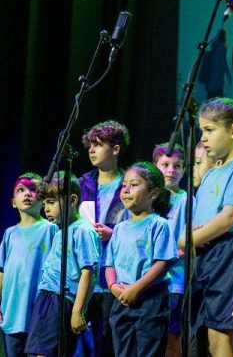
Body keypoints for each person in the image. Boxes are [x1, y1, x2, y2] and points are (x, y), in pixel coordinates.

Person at [180, 98, 233, 357]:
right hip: (206, 254)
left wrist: (188, 238)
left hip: (228, 251)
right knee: (206, 335)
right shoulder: (213, 171)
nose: (204, 138)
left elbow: (229, 217)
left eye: (210, 130)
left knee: (221, 332)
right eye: (202, 131)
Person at [25, 172, 101, 357]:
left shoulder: (82, 230)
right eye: (44, 205)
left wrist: (77, 310)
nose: (46, 210)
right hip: (48, 297)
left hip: (60, 299)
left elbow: (88, 273)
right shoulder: (61, 232)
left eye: (51, 203)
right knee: (37, 352)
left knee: (46, 353)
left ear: (72, 200)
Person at [106, 162, 176, 357]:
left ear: (153, 193)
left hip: (150, 300)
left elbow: (162, 263)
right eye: (124, 185)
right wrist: (113, 286)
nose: (127, 190)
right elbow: (109, 263)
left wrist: (136, 289)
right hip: (122, 299)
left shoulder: (159, 224)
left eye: (134, 185)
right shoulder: (119, 228)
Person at [0, 174, 57, 357]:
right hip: (11, 312)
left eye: (33, 190)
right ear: (13, 202)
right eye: (21, 190)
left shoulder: (49, 229)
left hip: (38, 310)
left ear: (43, 200)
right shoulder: (9, 234)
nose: (27, 194)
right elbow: (1, 271)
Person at [78, 120, 129, 357]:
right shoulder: (82, 184)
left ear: (116, 149)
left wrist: (113, 233)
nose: (91, 150)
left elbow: (140, 226)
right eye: (90, 145)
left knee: (106, 344)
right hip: (85, 277)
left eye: (98, 144)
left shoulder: (130, 184)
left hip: (115, 278)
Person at [153, 143, 188, 357]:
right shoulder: (149, 199)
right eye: (165, 165)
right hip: (149, 281)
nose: (171, 170)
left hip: (174, 281)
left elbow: (188, 241)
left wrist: (167, 260)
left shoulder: (186, 199)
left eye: (177, 166)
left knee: (172, 336)